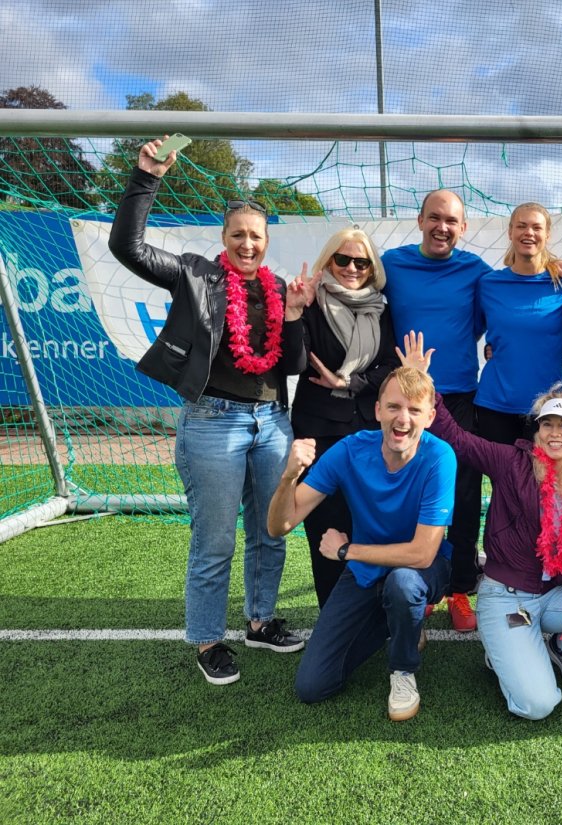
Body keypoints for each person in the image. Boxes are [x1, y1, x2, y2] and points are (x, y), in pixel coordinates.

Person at [108, 136, 310, 685]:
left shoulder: (276, 289)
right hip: (211, 422)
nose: (248, 244)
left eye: (257, 237)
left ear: (267, 242)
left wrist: (293, 315)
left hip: (271, 423)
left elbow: (290, 363)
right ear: (224, 238)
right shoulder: (195, 274)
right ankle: (207, 639)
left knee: (272, 531)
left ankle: (261, 621)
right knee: (216, 538)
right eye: (239, 235)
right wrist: (147, 175)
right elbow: (128, 247)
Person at [399, 331, 562, 720]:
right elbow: (456, 438)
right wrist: (425, 384)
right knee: (538, 705)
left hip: (557, 592)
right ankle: (504, 650)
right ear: (537, 430)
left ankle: (556, 649)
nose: (555, 433)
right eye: (548, 425)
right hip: (507, 595)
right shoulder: (512, 461)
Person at [267, 366, 456, 721]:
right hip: (367, 570)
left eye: (414, 410)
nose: (403, 419)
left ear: (429, 417)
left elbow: (422, 553)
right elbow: (280, 525)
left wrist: (346, 551)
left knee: (403, 583)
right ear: (378, 410)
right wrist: (290, 476)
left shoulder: (440, 457)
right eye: (394, 407)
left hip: (421, 569)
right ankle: (405, 624)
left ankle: (402, 670)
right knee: (312, 686)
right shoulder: (349, 450)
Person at [380, 189, 489, 632]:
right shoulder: (390, 264)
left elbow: (526, 280)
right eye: (435, 218)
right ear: (420, 219)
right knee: (407, 495)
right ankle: (417, 585)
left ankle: (461, 586)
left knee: (463, 498)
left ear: (463, 228)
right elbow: (348, 284)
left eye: (452, 221)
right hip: (404, 399)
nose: (443, 227)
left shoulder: (477, 272)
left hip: (458, 399)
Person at [291, 228, 399, 609]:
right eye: (343, 259)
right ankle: (332, 616)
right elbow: (296, 363)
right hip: (320, 433)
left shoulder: (380, 307)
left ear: (372, 268)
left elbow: (389, 363)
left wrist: (349, 382)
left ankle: (372, 611)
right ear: (329, 260)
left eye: (361, 261)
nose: (352, 267)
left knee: (369, 524)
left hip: (369, 432)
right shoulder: (310, 302)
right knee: (325, 525)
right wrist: (294, 313)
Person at [475, 202, 562, 445]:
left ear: (547, 234)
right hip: (495, 404)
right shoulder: (488, 284)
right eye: (521, 226)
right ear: (510, 232)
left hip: (547, 407)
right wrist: (492, 348)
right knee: (502, 482)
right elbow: (474, 330)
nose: (528, 233)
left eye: (536, 227)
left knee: (543, 481)